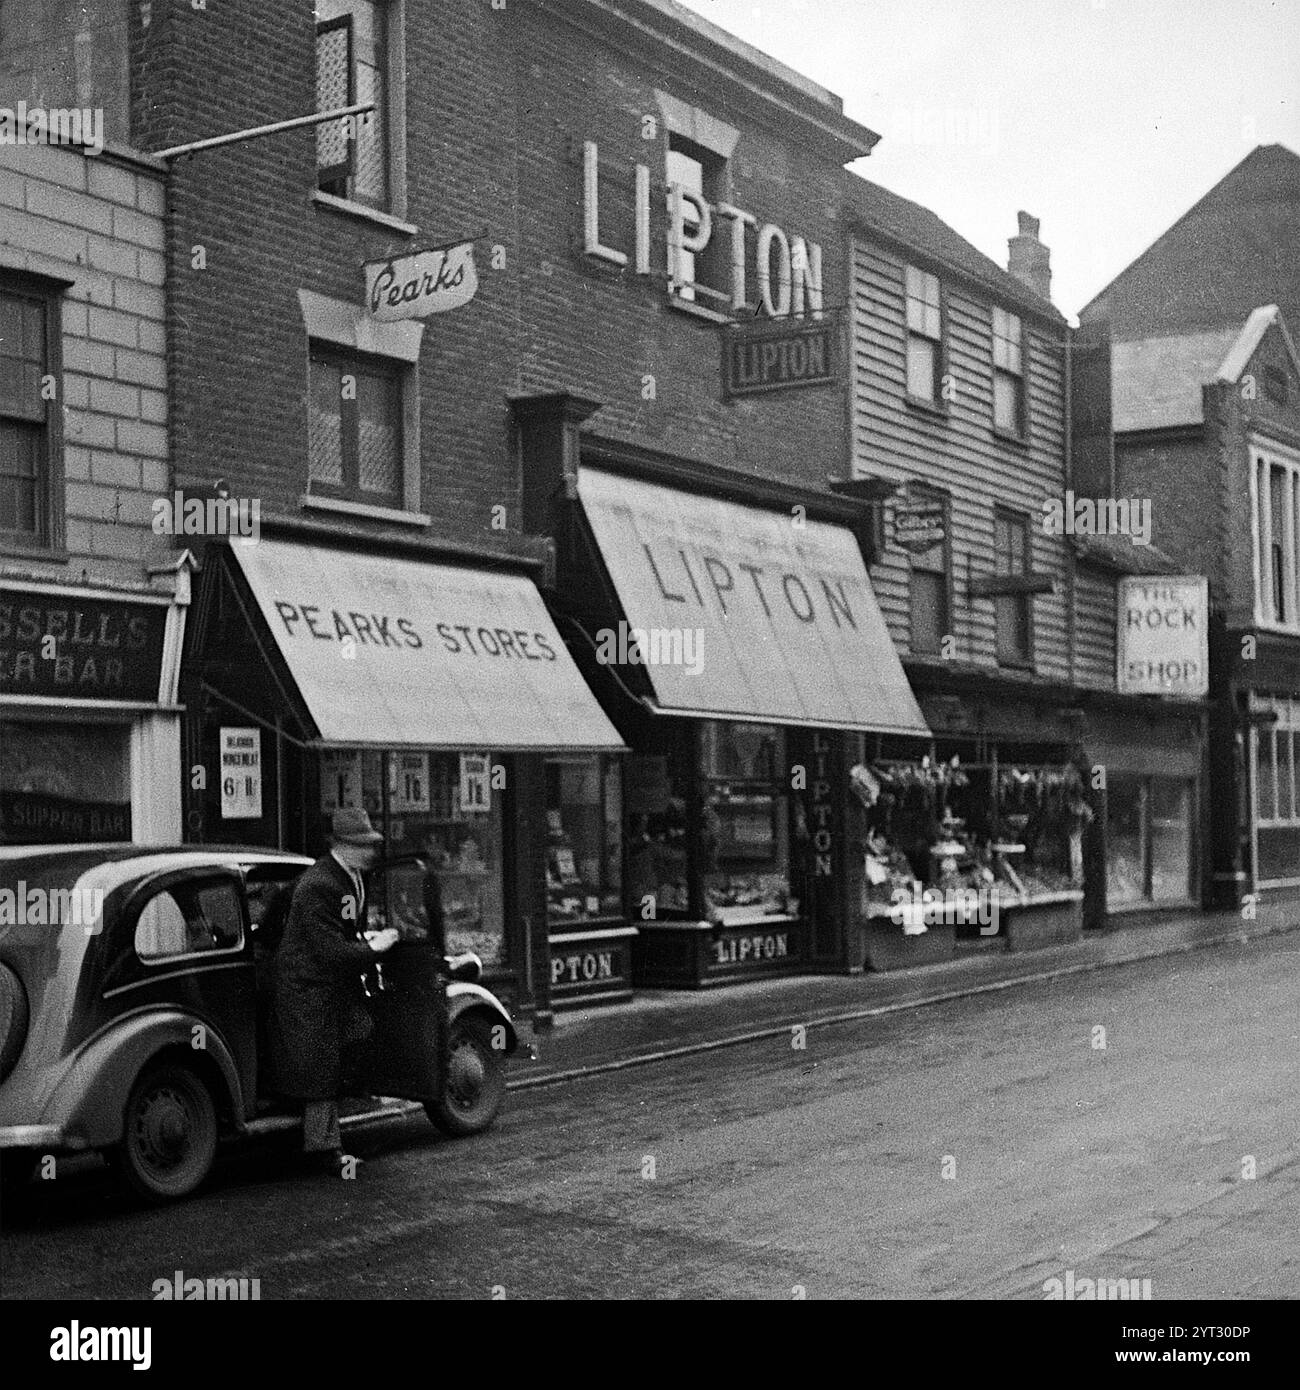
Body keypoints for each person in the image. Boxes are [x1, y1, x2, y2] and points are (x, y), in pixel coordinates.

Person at [269, 807, 398, 1173]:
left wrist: (364, 939)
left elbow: (341, 931)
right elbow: (330, 951)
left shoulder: (349, 876)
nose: (370, 851)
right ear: (341, 845)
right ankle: (326, 1150)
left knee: (353, 1038)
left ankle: (331, 1130)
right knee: (319, 1070)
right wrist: (374, 947)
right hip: (309, 991)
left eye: (371, 844)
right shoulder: (320, 884)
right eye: (363, 845)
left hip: (329, 988)